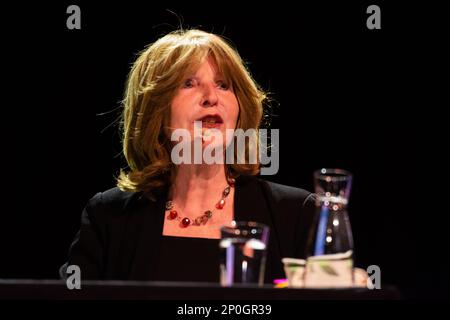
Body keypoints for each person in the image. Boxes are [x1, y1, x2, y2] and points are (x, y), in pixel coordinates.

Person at [61, 29, 315, 283]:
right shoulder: (108, 217)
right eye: (189, 84)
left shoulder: (295, 214)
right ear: (155, 109)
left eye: (223, 85)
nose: (211, 97)